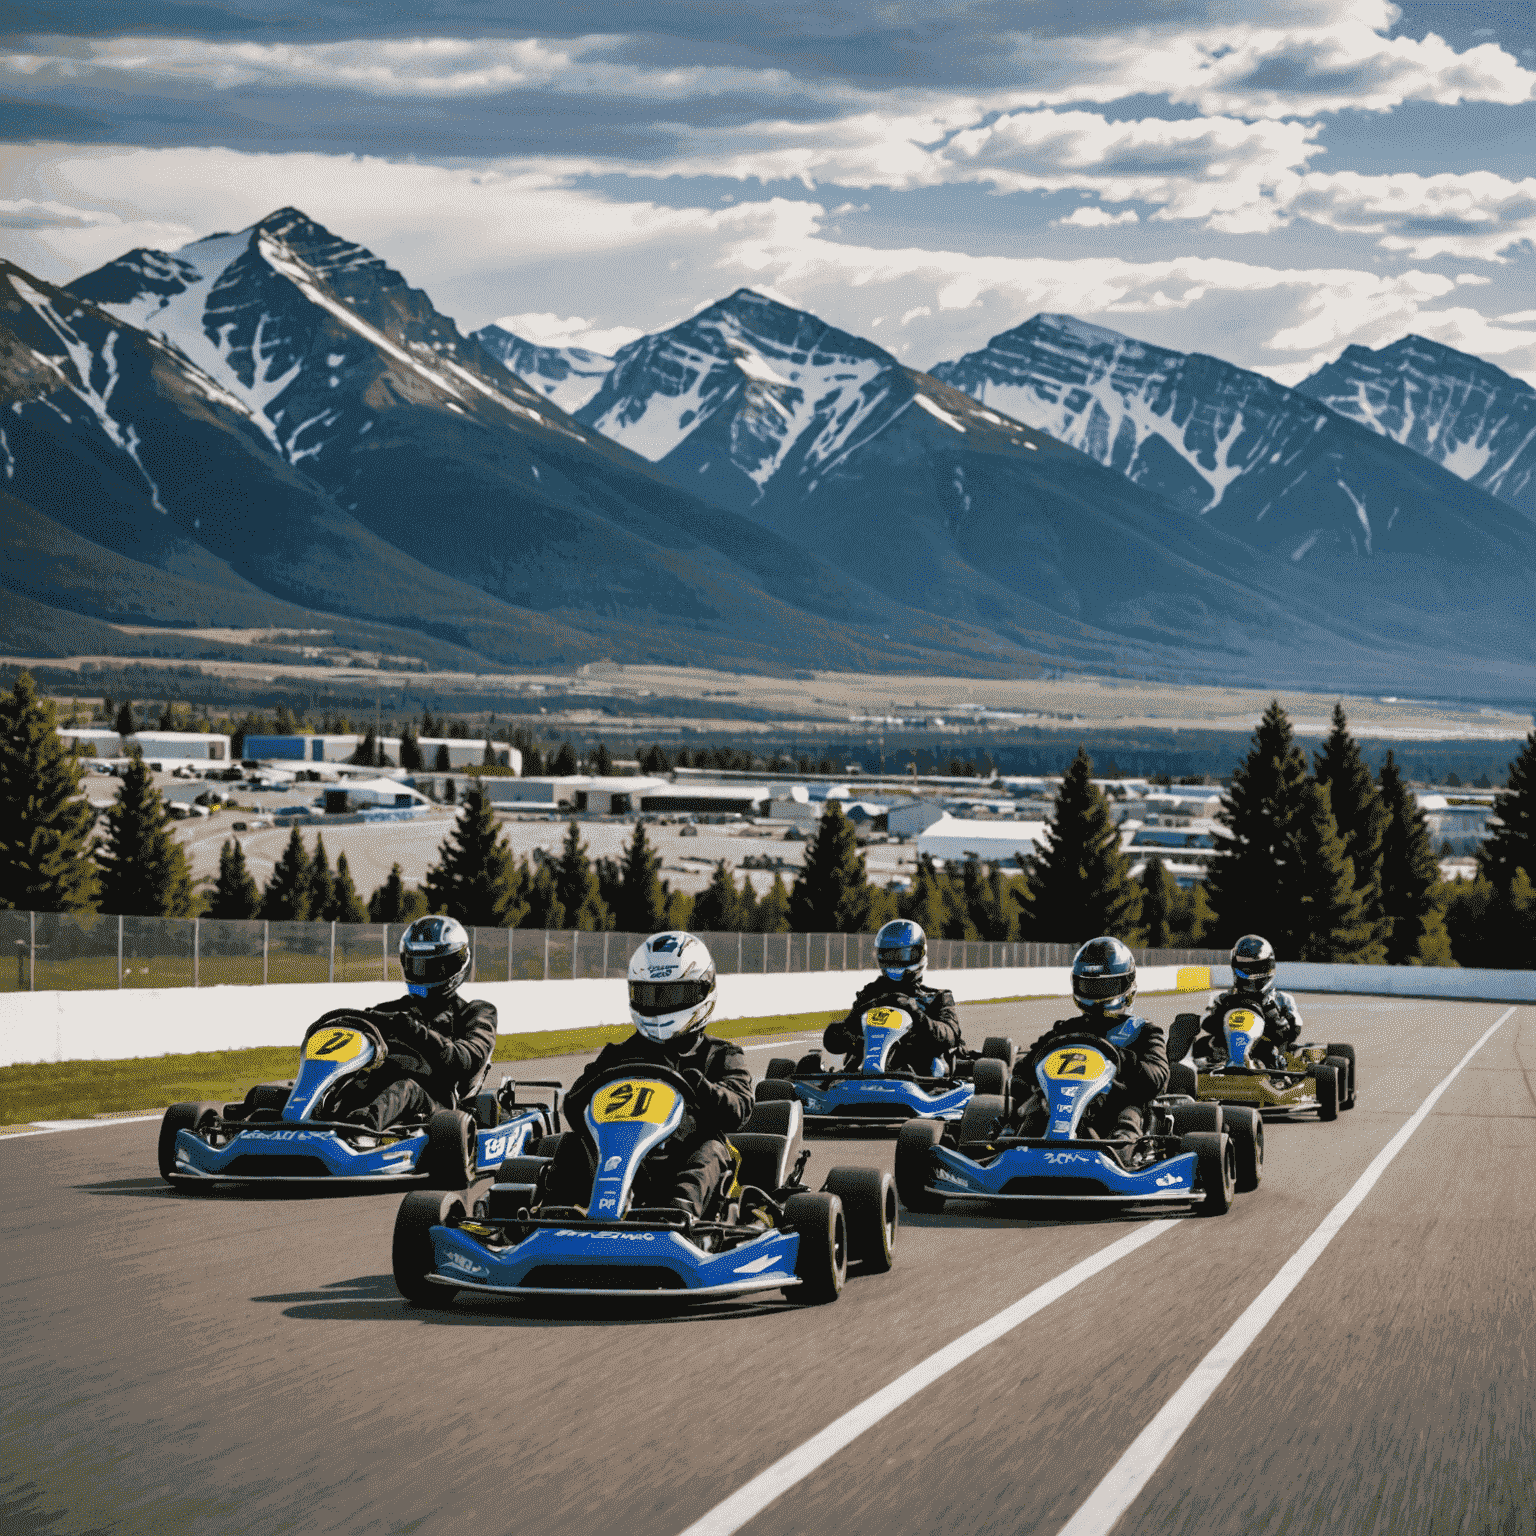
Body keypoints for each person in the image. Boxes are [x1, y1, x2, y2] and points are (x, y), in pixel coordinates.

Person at [545, 932, 752, 1216]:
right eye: (650, 994)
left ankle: (677, 1217)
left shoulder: (721, 1055)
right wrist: (600, 1083)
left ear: (702, 990)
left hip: (681, 1161)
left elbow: (738, 1109)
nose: (660, 1005)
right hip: (620, 1159)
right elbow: (572, 1107)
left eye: (673, 994)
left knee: (712, 1147)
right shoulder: (619, 1054)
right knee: (572, 1144)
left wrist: (701, 1087)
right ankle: (556, 1214)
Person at [330, 915, 497, 1130]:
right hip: (377, 1096)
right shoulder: (387, 1011)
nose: (424, 974)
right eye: (417, 965)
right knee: (343, 1084)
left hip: (439, 1110)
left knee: (405, 1088)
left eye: (435, 967)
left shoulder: (475, 1012)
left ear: (457, 963)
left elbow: (465, 1062)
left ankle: (359, 1132)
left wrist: (412, 1030)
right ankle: (298, 1120)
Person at [1010, 936, 1169, 1141]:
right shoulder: (1066, 1030)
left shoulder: (1143, 1031)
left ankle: (1119, 1158)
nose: (1097, 996)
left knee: (1130, 1112)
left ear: (1126, 984)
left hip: (1115, 1107)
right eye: (1089, 987)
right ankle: (1016, 1148)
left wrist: (1119, 1059)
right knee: (1037, 1107)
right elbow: (1022, 1072)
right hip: (1062, 1106)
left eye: (1105, 988)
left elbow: (1157, 1078)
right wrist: (1038, 1089)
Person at [822, 919, 962, 1074]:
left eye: (903, 955)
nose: (896, 962)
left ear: (919, 953)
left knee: (935, 1064)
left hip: (920, 1071)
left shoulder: (937, 998)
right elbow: (837, 1039)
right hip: (865, 1065)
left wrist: (916, 1014)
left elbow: (950, 1036)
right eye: (890, 955)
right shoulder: (870, 995)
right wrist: (859, 1025)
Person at [1192, 935, 1302, 1070]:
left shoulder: (1281, 999)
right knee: (1202, 1045)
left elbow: (1293, 1032)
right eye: (1246, 969)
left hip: (1267, 1049)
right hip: (1227, 1046)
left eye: (1257, 968)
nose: (1251, 974)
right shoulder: (1223, 998)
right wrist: (1221, 1013)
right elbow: (1206, 1023)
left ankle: (1270, 1072)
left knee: (1277, 1051)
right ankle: (1224, 1063)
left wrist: (1272, 1015)